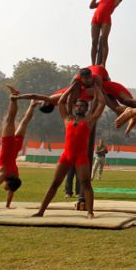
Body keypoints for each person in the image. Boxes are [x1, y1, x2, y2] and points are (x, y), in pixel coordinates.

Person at [33, 80, 106, 219]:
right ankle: (41, 211)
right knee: (55, 183)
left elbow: (101, 104)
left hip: (81, 157)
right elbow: (61, 102)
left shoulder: (89, 121)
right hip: (66, 156)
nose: (79, 108)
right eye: (77, 106)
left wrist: (97, 89)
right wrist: (71, 88)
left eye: (82, 106)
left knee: (86, 184)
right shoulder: (67, 119)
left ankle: (90, 212)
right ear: (74, 107)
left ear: (86, 109)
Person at [0, 86, 37, 211]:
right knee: (10, 119)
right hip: (9, 146)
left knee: (24, 122)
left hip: (16, 148)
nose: (6, 187)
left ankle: (32, 104)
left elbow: (11, 190)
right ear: (9, 182)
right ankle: (14, 98)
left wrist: (8, 205)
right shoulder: (3, 174)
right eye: (7, 186)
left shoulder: (15, 176)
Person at [90, 0, 130, 67]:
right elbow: (91, 6)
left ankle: (103, 63)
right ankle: (93, 64)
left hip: (105, 20)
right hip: (95, 19)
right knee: (94, 41)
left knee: (104, 39)